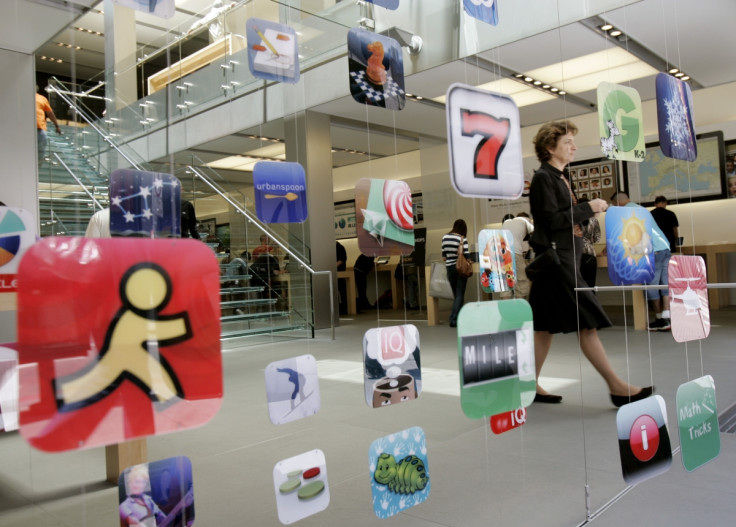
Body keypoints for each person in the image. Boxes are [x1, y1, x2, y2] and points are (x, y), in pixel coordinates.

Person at [528, 120, 652, 406]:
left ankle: (530, 386)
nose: (574, 146)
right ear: (550, 147)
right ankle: (617, 387)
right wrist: (588, 208)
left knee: (544, 328)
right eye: (568, 142)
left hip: (563, 260)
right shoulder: (544, 178)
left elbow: (560, 218)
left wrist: (582, 209)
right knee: (587, 324)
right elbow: (549, 221)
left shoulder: (558, 177)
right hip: (558, 262)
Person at [611, 192, 672, 331]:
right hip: (665, 247)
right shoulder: (641, 209)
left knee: (651, 286)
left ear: (618, 203)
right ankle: (667, 316)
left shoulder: (624, 213)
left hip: (652, 251)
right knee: (665, 283)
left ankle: (659, 319)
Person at [442, 219, 469, 328]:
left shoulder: (445, 237)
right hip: (460, 269)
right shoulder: (462, 238)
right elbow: (466, 255)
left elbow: (444, 257)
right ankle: (453, 319)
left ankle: (458, 318)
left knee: (456, 295)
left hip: (449, 268)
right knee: (459, 295)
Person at [501, 212, 534, 299]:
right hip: (515, 252)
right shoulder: (526, 221)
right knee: (521, 284)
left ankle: (506, 311)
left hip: (501, 254)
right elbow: (536, 235)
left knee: (506, 285)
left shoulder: (508, 223)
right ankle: (520, 309)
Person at [576, 198, 601, 289]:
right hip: (590, 254)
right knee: (591, 286)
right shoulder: (594, 220)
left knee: (578, 286)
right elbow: (597, 239)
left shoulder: (574, 219)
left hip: (577, 254)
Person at [36, 85, 61, 165]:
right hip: (26, 129)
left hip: (40, 128)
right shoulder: (24, 97)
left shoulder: (42, 98)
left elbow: (50, 113)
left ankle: (36, 170)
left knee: (41, 151)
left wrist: (57, 125)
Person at [336, 241, 348, 315]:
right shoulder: (338, 247)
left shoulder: (340, 247)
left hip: (340, 272)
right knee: (341, 291)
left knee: (342, 290)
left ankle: (344, 308)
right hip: (337, 271)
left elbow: (342, 260)